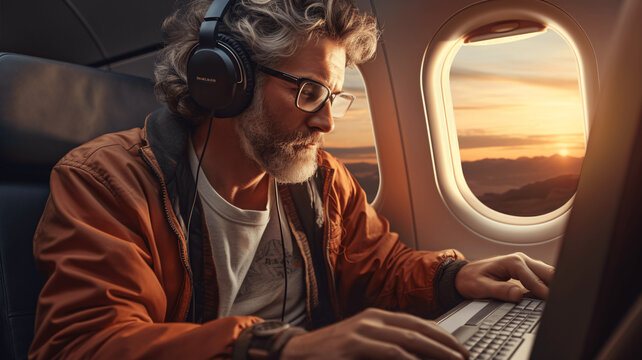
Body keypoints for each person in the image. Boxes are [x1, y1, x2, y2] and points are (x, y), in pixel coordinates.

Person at [29, 0, 555, 359]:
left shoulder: (322, 181)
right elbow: (87, 344)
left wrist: (452, 278)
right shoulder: (106, 183)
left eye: (334, 98)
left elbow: (379, 268)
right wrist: (278, 349)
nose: (326, 121)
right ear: (225, 82)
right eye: (309, 92)